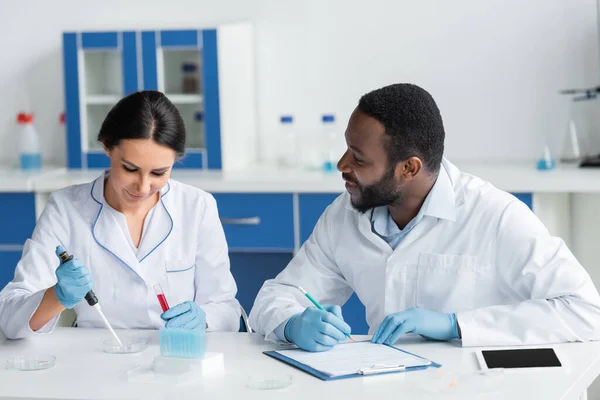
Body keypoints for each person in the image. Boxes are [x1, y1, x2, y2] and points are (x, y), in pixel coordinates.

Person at [249, 83, 600, 351]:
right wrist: (293, 323)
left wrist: (456, 325)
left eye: (359, 158)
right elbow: (274, 297)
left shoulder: (495, 216)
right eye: (346, 149)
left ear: (409, 168)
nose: (342, 166)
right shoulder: (344, 216)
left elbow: (585, 312)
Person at [0, 91, 240, 339]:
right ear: (106, 146)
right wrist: (58, 296)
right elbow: (10, 319)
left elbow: (226, 308)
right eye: (130, 169)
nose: (143, 187)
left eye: (158, 173)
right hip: (96, 360)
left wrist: (204, 320)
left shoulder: (197, 206)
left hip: (176, 356)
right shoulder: (66, 208)